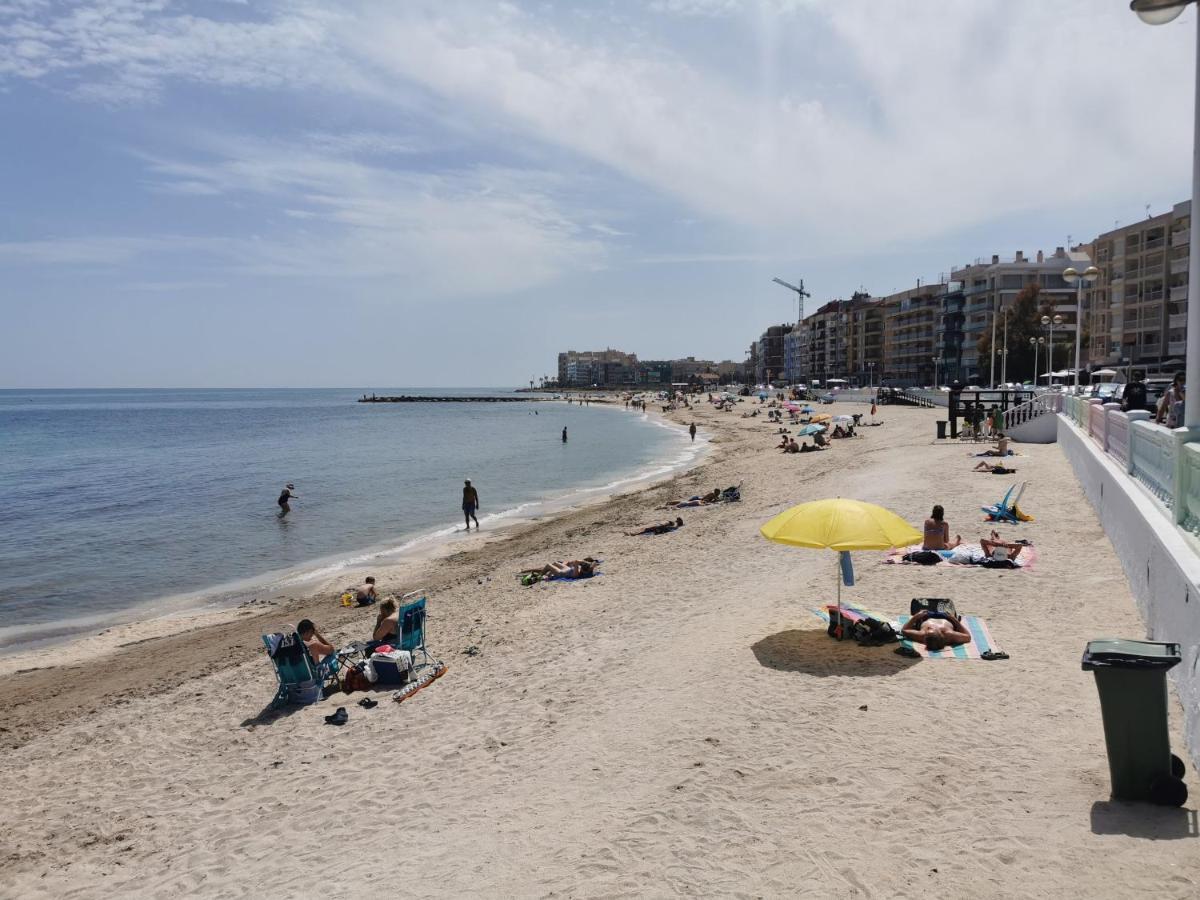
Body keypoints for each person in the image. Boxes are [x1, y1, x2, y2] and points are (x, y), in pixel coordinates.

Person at [901, 609, 972, 651]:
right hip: (946, 617)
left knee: (921, 610)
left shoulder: (922, 635)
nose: (928, 628)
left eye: (927, 630)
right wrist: (954, 619)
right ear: (941, 633)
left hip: (926, 617)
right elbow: (968, 636)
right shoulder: (949, 634)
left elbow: (904, 630)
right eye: (930, 629)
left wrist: (916, 616)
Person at [519, 558, 597, 579]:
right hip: (567, 569)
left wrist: (579, 563)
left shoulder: (577, 574)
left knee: (548, 565)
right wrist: (583, 563)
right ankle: (547, 573)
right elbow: (593, 564)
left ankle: (539, 576)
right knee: (555, 563)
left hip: (562, 573)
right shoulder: (588, 570)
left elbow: (576, 562)